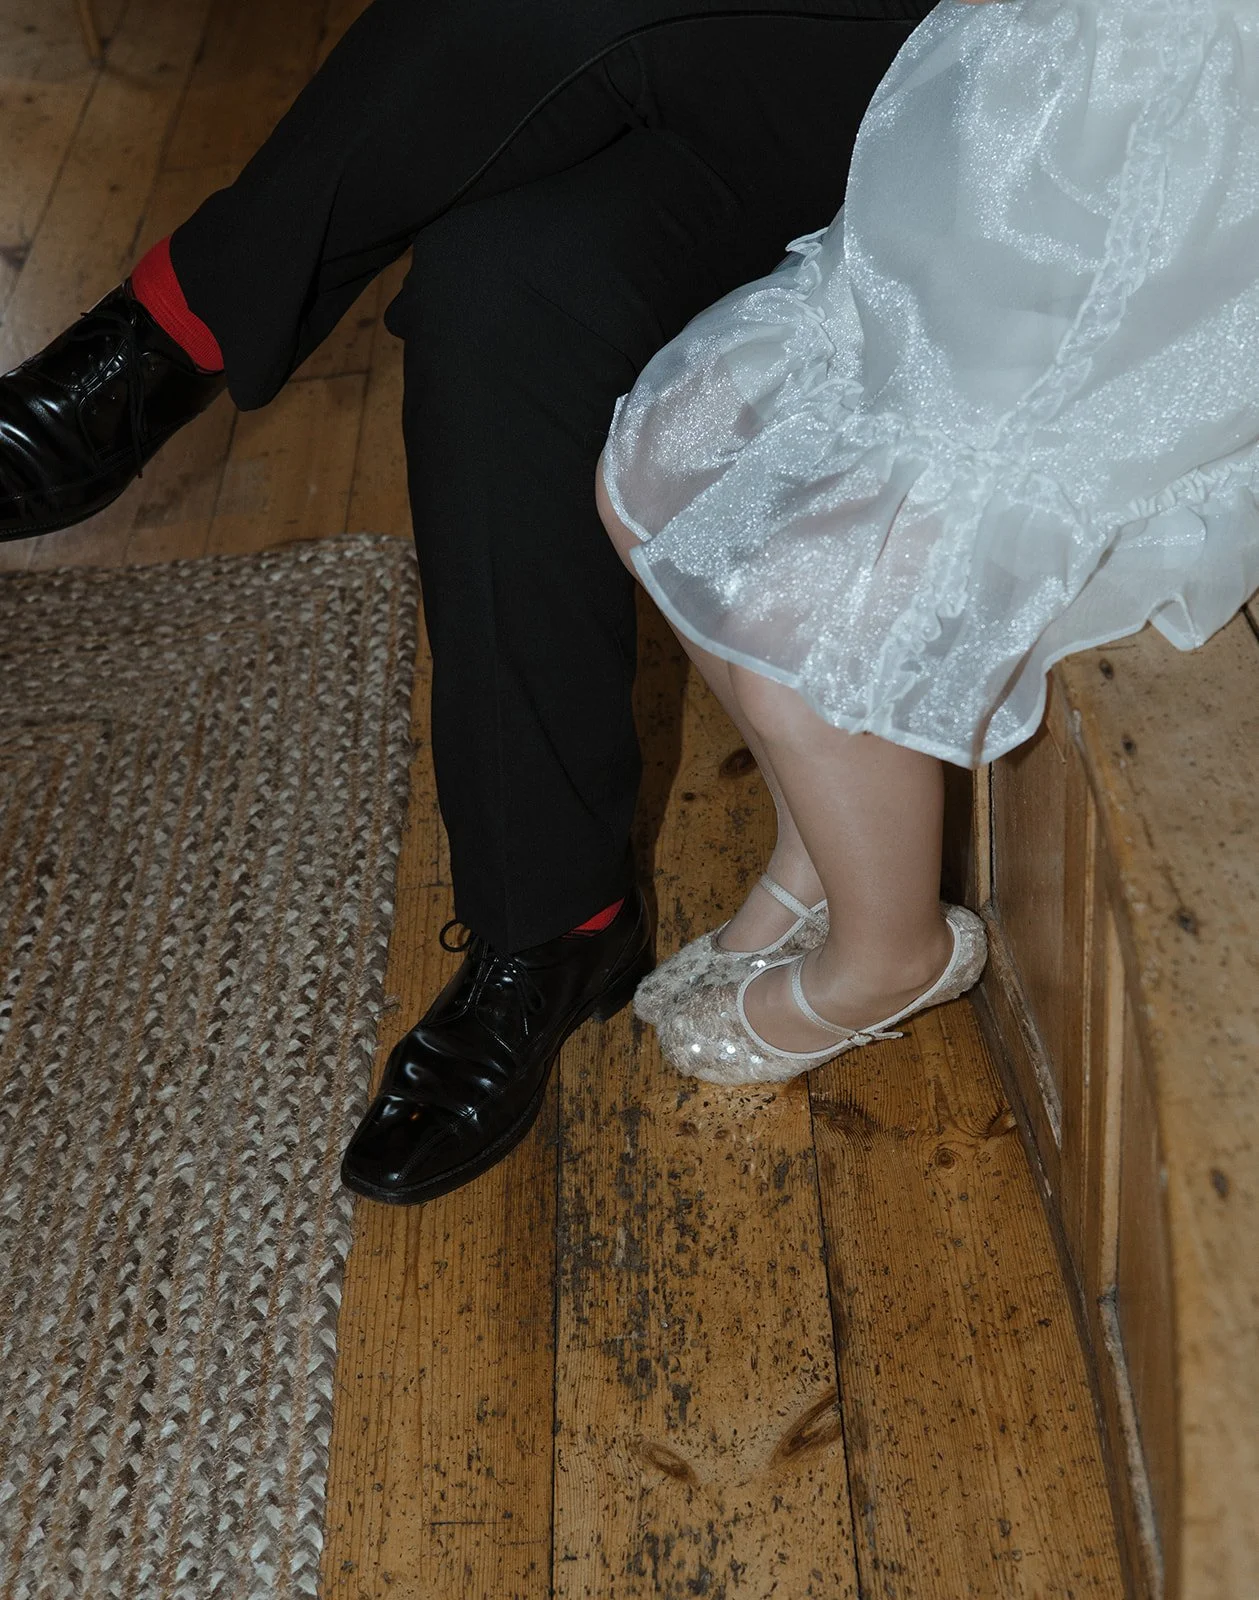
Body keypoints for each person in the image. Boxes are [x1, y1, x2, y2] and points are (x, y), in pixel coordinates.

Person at [0, 0, 934, 1202]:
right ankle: (557, 922)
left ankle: (152, 349)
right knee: (498, 288)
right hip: (780, 63)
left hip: (998, 84)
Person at [600, 0, 1259, 1082]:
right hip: (1025, 110)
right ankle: (817, 844)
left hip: (1181, 184)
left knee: (798, 649)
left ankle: (887, 953)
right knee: (652, 474)